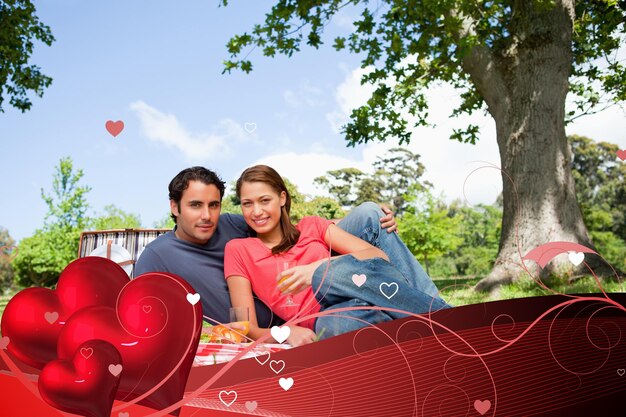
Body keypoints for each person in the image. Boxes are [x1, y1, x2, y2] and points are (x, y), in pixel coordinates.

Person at [134, 166, 406, 328]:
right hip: (277, 322)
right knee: (343, 321)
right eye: (195, 205)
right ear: (174, 207)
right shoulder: (157, 257)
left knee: (371, 215)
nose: (206, 216)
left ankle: (433, 312)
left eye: (213, 205)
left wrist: (329, 226)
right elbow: (140, 316)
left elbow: (282, 228)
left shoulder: (231, 224)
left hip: (320, 288)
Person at [224, 165, 449, 346]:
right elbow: (244, 328)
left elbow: (377, 256)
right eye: (247, 204)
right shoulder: (238, 250)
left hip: (364, 289)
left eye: (265, 200)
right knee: (340, 327)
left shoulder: (312, 226)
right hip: (331, 315)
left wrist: (317, 269)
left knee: (327, 273)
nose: (256, 212)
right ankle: (423, 338)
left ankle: (446, 319)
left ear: (282, 198)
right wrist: (285, 332)